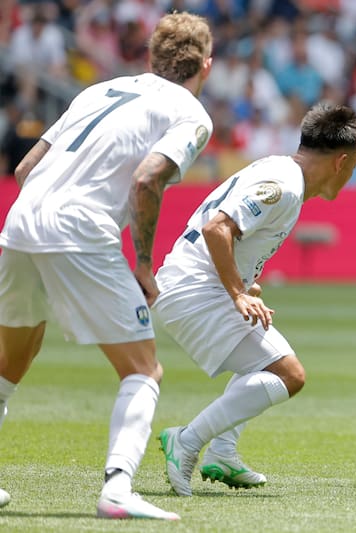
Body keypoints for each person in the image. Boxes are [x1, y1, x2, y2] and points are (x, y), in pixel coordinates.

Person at [0, 12, 214, 519]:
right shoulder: (192, 114)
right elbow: (146, 181)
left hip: (22, 220)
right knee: (144, 369)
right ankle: (118, 489)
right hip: (80, 228)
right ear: (206, 65)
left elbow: (25, 167)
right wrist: (143, 266)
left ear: (150, 59)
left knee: (9, 363)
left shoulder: (99, 91)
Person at [153, 102, 356, 497]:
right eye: (353, 167)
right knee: (289, 374)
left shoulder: (281, 173)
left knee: (260, 361)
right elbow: (217, 229)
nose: (350, 176)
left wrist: (244, 286)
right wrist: (235, 291)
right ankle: (187, 440)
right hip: (194, 290)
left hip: (191, 284)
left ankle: (223, 452)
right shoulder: (284, 186)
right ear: (342, 162)